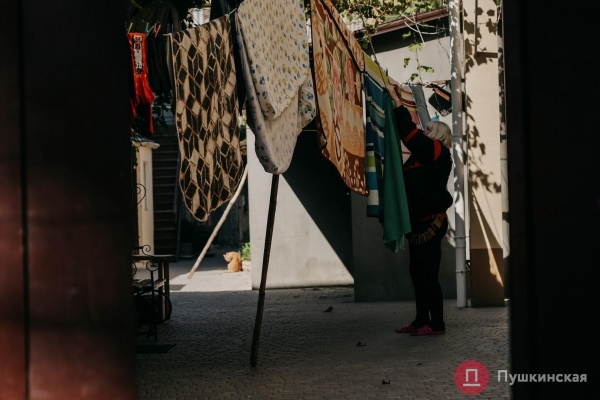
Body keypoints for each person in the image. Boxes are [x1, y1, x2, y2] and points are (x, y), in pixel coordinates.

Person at [387, 79, 453, 336]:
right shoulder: (426, 156)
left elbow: (410, 133)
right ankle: (420, 320)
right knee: (418, 274)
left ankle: (437, 324)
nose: (424, 132)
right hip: (419, 222)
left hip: (431, 222)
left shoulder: (437, 151)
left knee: (428, 275)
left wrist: (397, 102)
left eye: (428, 129)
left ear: (437, 135)